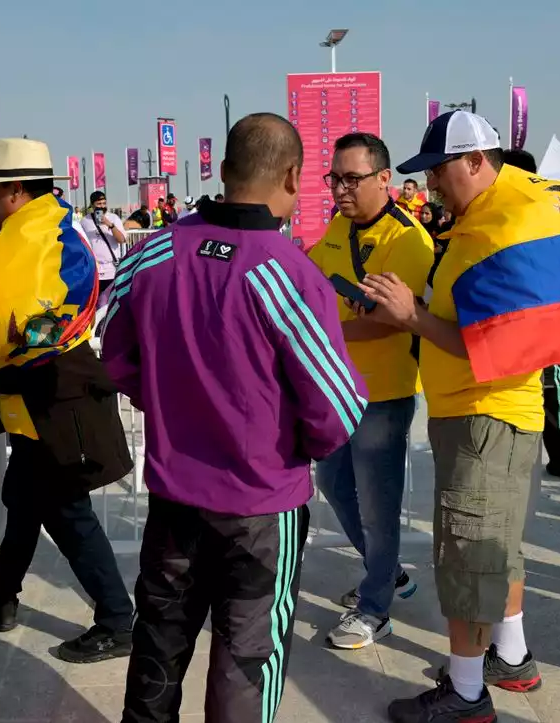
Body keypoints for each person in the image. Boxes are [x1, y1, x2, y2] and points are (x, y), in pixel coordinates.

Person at [104, 112, 364, 722]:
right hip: (260, 510)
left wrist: (166, 400)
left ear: (222, 173)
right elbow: (337, 409)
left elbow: (114, 353)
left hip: (174, 499)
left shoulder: (155, 253)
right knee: (247, 666)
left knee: (157, 650)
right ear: (295, 177)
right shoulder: (288, 273)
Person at [361, 111, 560, 722]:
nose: (430, 186)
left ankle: (465, 696)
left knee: (466, 556)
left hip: (486, 418)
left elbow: (491, 344)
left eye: (438, 173)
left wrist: (411, 316)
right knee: (496, 550)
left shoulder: (507, 223)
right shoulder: (494, 212)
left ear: (476, 161)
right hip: (487, 417)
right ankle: (509, 658)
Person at [0, 138, 135, 664]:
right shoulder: (27, 232)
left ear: (15, 190)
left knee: (66, 510)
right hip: (32, 391)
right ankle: (0, 599)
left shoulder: (54, 239)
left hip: (57, 390)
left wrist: (1, 333)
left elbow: (59, 317)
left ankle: (117, 619)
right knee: (23, 499)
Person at [306, 132, 432, 650]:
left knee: (380, 506)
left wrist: (317, 331)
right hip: (336, 386)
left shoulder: (408, 241)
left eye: (352, 179)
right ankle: (386, 573)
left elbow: (391, 321)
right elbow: (314, 279)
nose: (340, 188)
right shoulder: (338, 227)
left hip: (382, 393)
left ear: (385, 180)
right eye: (334, 178)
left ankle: (376, 605)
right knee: (334, 485)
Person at [500, 147, 560, 484]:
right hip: (546, 304)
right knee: (537, 385)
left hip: (542, 307)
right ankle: (554, 456)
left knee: (547, 384)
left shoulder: (538, 204)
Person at [80, 190, 125, 305]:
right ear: (92, 205)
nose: (102, 206)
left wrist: (109, 225)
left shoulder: (113, 218)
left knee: (109, 304)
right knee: (94, 304)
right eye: (99, 204)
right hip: (94, 270)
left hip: (111, 269)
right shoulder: (85, 221)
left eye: (104, 203)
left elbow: (122, 239)